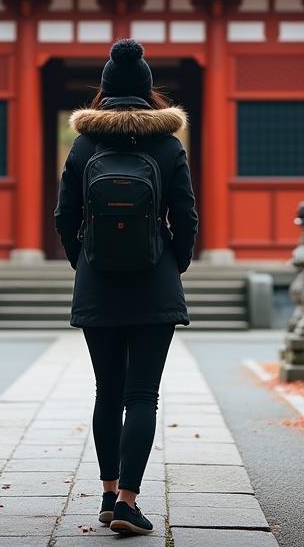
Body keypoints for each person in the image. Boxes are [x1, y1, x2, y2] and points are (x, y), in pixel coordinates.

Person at [55, 38, 199, 536]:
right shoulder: (167, 144)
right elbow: (185, 215)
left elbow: (64, 216)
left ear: (105, 89)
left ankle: (106, 492)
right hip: (153, 283)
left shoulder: (83, 144)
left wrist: (85, 261)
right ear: (147, 91)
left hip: (98, 283)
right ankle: (129, 503)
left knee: (107, 392)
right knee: (143, 396)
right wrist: (172, 264)